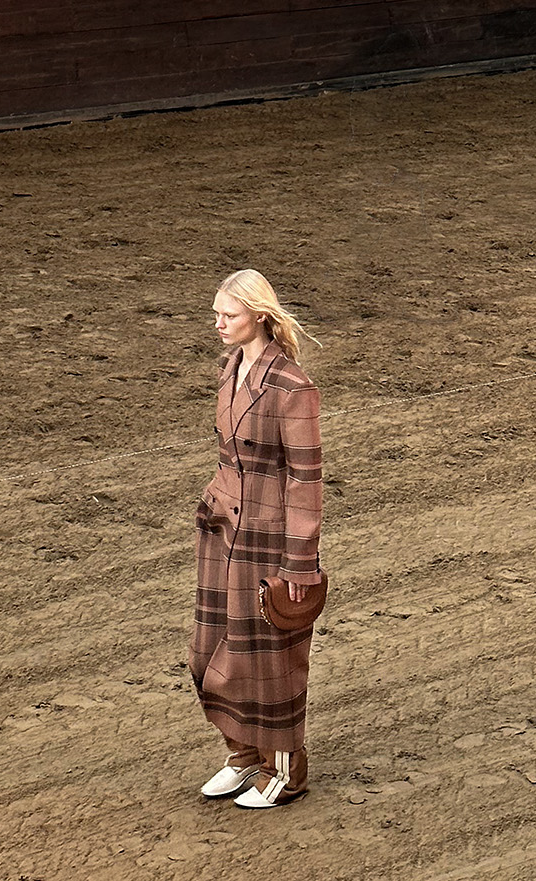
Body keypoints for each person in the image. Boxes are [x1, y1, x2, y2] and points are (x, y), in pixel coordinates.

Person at [190, 268, 324, 809]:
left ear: (260, 316)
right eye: (217, 313)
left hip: (271, 541)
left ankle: (285, 773)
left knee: (270, 659)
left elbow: (305, 478)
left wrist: (300, 563)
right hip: (224, 532)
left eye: (230, 315)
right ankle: (243, 756)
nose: (219, 324)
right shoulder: (230, 368)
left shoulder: (292, 386)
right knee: (213, 651)